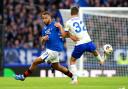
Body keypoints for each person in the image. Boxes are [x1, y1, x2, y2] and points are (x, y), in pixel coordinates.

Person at [14, 11, 73, 81]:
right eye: (43, 18)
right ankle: (73, 76)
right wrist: (43, 39)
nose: (44, 20)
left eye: (46, 18)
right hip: (49, 50)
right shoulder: (44, 29)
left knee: (35, 62)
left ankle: (23, 76)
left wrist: (60, 27)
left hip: (53, 51)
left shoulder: (56, 25)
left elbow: (64, 35)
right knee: (58, 67)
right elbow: (42, 43)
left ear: (50, 18)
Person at [58, 6, 107, 84]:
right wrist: (70, 36)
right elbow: (72, 34)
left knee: (72, 61)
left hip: (80, 44)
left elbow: (64, 35)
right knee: (94, 51)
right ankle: (101, 59)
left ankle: (75, 80)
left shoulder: (69, 22)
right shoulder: (81, 20)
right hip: (88, 41)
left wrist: (61, 28)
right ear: (77, 13)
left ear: (71, 13)